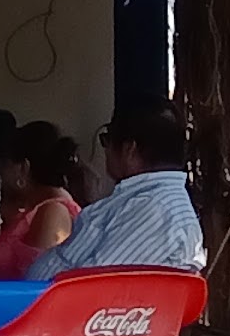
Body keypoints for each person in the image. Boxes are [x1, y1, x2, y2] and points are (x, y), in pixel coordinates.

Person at [58, 99, 208, 272]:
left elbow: (95, 281)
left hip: (54, 289)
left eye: (106, 140)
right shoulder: (154, 202)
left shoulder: (154, 210)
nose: (105, 151)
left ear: (129, 149)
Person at [0, 119, 82, 281]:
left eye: (5, 165)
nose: (0, 173)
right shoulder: (30, 212)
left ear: (23, 167)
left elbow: (42, 280)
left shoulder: (53, 213)